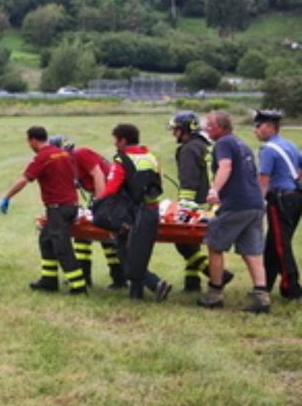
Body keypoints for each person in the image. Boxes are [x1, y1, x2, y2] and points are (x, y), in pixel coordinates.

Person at [0, 126, 88, 294]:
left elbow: (24, 180)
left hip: (58, 209)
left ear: (32, 140)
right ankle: (49, 280)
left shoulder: (43, 157)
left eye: (28, 141)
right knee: (46, 240)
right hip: (70, 206)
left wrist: (7, 197)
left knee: (62, 247)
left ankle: (79, 286)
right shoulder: (63, 153)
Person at [200, 110, 271, 313]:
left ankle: (214, 294)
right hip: (255, 204)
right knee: (252, 251)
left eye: (210, 125)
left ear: (221, 128)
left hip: (237, 205)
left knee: (214, 244)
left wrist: (215, 190)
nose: (206, 128)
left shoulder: (223, 143)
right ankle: (261, 296)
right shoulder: (242, 144)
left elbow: (226, 166)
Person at [99, 123, 172, 301]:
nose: (115, 144)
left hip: (131, 212)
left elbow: (111, 188)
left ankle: (155, 284)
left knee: (125, 251)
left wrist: (100, 206)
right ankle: (136, 293)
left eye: (116, 140)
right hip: (152, 210)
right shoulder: (152, 157)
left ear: (123, 140)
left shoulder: (121, 160)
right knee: (138, 252)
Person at [49, 135, 126, 288]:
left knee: (105, 235)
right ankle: (85, 274)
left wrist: (100, 203)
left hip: (113, 196)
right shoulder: (68, 164)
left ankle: (119, 278)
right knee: (82, 234)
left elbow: (98, 175)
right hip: (104, 197)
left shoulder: (81, 154)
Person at [168, 111, 225, 292]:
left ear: (186, 129)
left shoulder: (188, 149)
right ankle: (191, 283)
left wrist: (184, 206)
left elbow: (189, 180)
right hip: (212, 202)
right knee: (192, 244)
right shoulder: (204, 145)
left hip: (197, 204)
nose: (173, 133)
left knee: (183, 242)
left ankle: (214, 274)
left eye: (176, 129)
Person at [252, 109, 302, 300]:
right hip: (295, 197)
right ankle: (265, 284)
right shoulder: (289, 144)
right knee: (272, 244)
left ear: (270, 127)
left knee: (281, 245)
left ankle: (292, 288)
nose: (255, 130)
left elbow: (264, 180)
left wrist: (258, 204)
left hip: (279, 200)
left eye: (258, 126)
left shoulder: (268, 150)